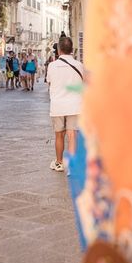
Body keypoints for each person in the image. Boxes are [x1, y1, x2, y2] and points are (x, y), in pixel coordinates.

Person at [46, 37, 83, 172]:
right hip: (74, 105)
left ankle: (59, 163)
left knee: (59, 135)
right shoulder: (79, 65)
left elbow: (49, 83)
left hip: (58, 105)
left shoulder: (52, 65)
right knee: (72, 135)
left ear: (59, 50)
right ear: (72, 50)